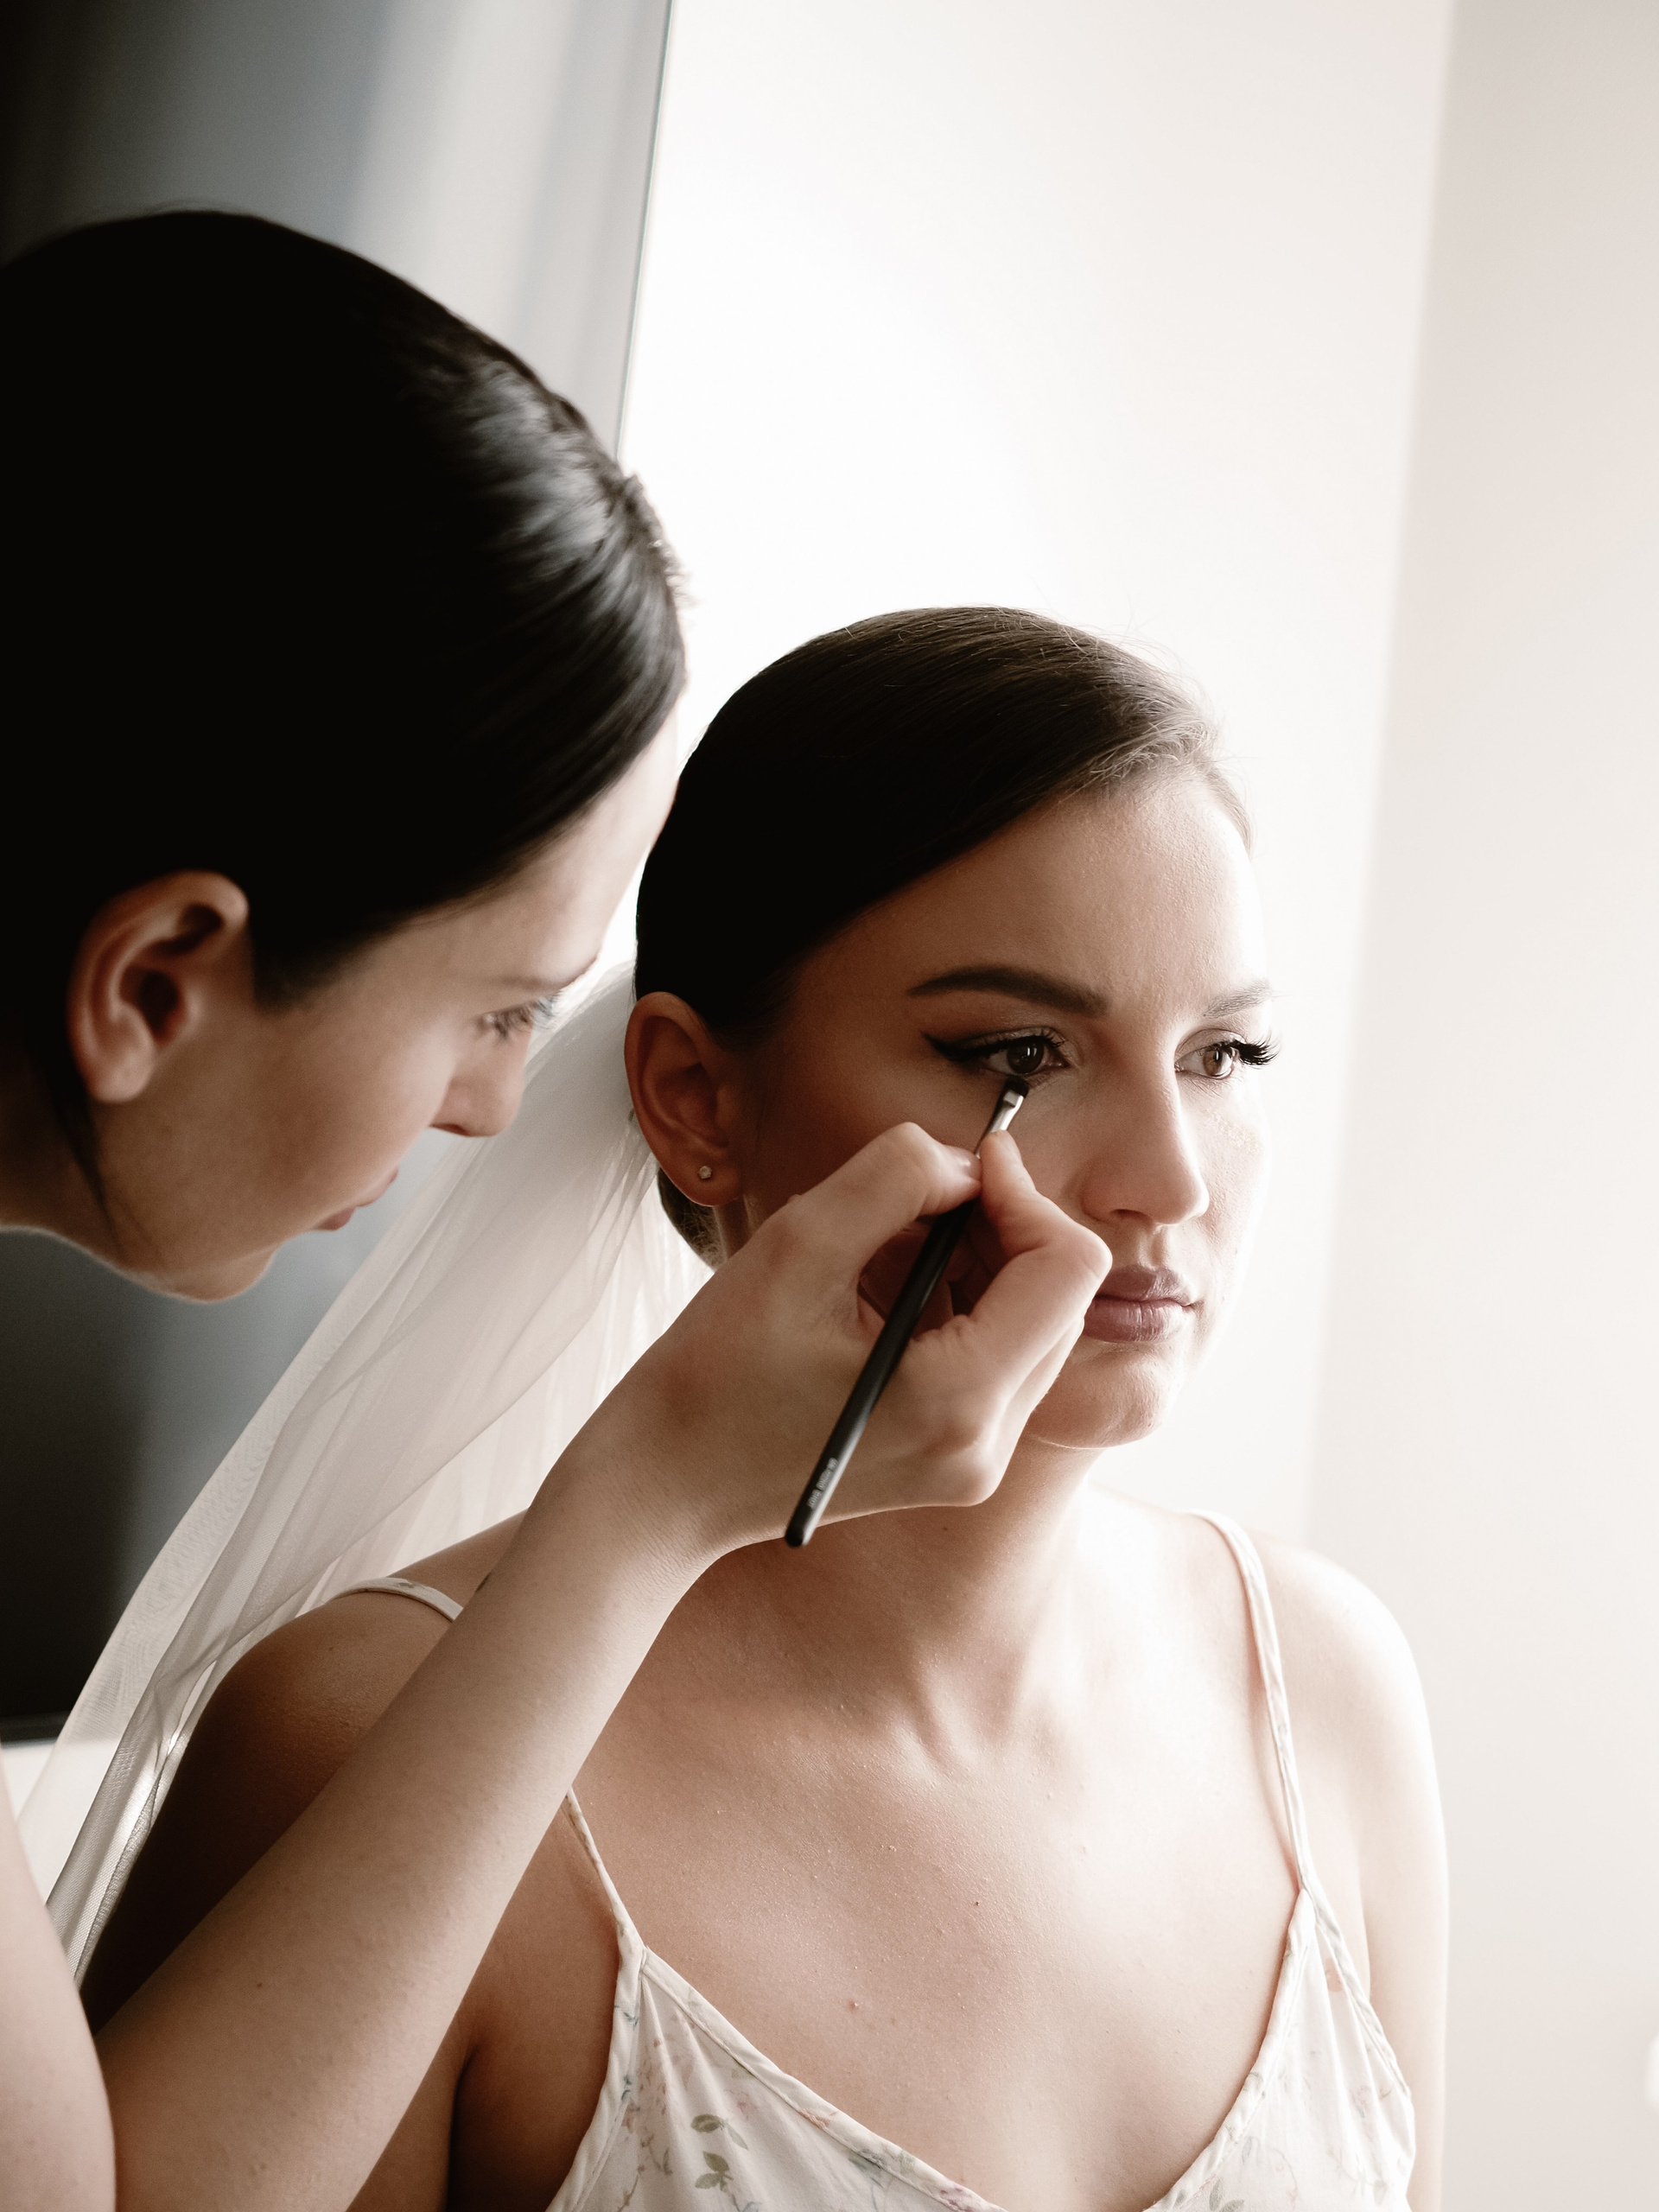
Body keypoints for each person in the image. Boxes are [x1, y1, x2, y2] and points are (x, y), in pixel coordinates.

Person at [74, 609, 1448, 2212]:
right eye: (1023, 1050)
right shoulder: (360, 1729)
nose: (1172, 1178)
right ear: (693, 1098)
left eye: (1228, 1053)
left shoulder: (1324, 1686)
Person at [0, 214, 1100, 2212]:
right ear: (155, 979)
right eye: (500, 1005)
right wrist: (648, 1498)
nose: (500, 1104)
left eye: (1238, 1051)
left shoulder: (1315, 1681)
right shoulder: (329, 1705)